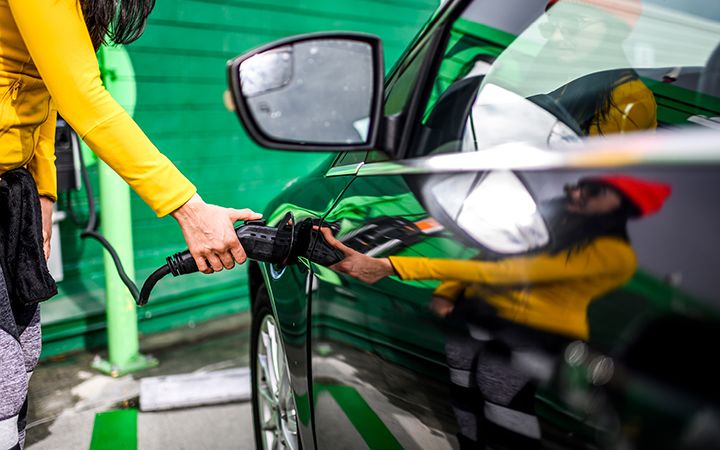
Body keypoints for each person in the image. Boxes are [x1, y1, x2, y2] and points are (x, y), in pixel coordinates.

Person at [1, 1, 259, 448]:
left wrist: (42, 192)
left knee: (22, 354)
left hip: (11, 189)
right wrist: (189, 208)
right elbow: (83, 95)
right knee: (3, 364)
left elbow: (46, 88)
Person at [321, 174, 671, 448]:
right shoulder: (557, 222)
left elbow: (509, 272)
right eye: (580, 186)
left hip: (531, 335)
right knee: (463, 394)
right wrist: (448, 291)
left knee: (504, 406)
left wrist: (394, 266)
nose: (577, 193)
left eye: (593, 192)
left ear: (620, 207)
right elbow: (491, 254)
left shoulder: (614, 254)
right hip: (476, 316)